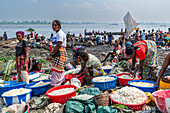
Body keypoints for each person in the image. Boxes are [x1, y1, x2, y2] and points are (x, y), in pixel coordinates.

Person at [47, 20, 67, 87]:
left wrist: (51, 55)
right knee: (58, 69)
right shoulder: (57, 33)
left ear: (59, 26)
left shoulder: (59, 34)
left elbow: (58, 45)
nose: (54, 27)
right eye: (52, 25)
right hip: (57, 52)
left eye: (55, 25)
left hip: (60, 53)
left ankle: (53, 85)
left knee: (57, 69)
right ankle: (62, 84)